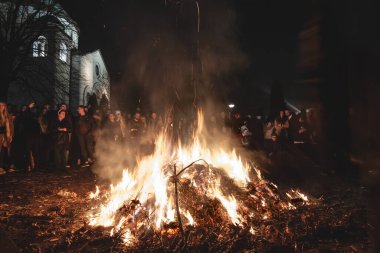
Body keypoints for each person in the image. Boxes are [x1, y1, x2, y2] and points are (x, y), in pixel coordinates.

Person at [0, 102, 13, 175]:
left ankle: (2, 166)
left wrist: (9, 135)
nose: (1, 107)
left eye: (3, 106)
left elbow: (9, 126)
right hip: (1, 135)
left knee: (3, 151)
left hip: (5, 136)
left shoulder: (6, 116)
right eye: (0, 106)